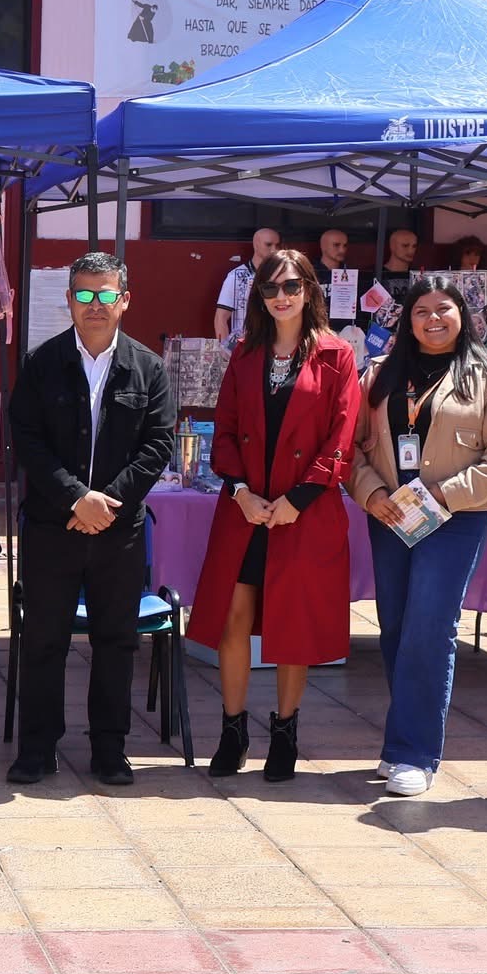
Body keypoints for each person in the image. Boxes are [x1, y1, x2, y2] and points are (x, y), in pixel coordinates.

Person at [189, 248, 360, 784]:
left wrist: (297, 501)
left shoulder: (337, 356)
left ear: (310, 290)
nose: (281, 297)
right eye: (269, 289)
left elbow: (341, 438)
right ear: (258, 298)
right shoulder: (244, 352)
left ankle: (285, 731)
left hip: (302, 513)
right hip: (245, 510)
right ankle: (232, 730)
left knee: (295, 623)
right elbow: (226, 427)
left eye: (291, 286)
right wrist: (240, 491)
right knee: (234, 620)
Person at [351, 277, 487, 796]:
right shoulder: (380, 374)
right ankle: (401, 741)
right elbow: (355, 444)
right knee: (395, 628)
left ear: (462, 315)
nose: (432, 319)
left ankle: (415, 753)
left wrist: (446, 494)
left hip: (456, 515)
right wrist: (370, 492)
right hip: (390, 514)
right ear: (407, 319)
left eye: (443, 309)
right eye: (421, 310)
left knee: (430, 628)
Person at [7, 252, 175, 785]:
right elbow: (27, 440)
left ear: (125, 299)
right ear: (70, 301)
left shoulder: (148, 368)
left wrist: (104, 504)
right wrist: (75, 498)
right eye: (84, 295)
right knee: (44, 639)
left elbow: (157, 446)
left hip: (118, 533)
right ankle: (37, 749)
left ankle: (109, 749)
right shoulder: (42, 362)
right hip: (52, 528)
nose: (95, 306)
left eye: (106, 295)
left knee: (116, 640)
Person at [213, 228, 280, 345]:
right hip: (247, 346)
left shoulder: (282, 276)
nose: (274, 250)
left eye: (277, 245)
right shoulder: (236, 276)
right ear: (256, 244)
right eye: (268, 244)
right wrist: (225, 351)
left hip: (277, 346)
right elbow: (220, 318)